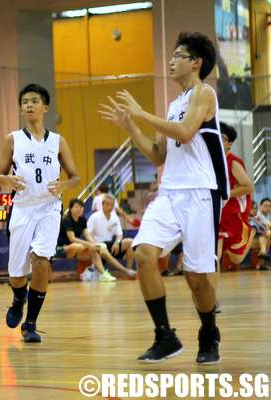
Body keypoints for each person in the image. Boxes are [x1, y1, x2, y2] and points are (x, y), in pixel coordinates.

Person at [100, 32, 228, 364]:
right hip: (170, 192)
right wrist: (131, 127)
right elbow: (158, 156)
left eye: (179, 55)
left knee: (196, 277)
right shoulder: (172, 105)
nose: (171, 60)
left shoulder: (204, 93)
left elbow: (186, 133)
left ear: (196, 62)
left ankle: (208, 332)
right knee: (143, 255)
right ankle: (165, 336)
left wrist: (141, 114)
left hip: (200, 193)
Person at [0, 83, 80, 343]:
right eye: (25, 102)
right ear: (21, 108)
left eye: (34, 101)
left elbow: (75, 177)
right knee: (16, 274)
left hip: (49, 207)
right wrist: (7, 181)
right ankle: (18, 298)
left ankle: (30, 323)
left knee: (42, 261)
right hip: (22, 208)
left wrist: (64, 185)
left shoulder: (58, 141)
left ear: (45, 107)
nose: (29, 105)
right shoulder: (13, 139)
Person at [217, 122, 254, 268]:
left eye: (223, 138)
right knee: (215, 253)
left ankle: (251, 231)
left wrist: (225, 194)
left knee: (236, 258)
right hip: (214, 212)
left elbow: (248, 187)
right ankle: (208, 289)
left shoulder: (232, 162)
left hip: (231, 212)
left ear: (229, 144)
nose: (219, 139)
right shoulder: (209, 160)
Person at [56, 198, 116, 282]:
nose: (79, 209)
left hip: (75, 250)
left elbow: (87, 235)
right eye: (76, 207)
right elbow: (72, 239)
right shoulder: (67, 221)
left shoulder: (82, 220)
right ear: (70, 209)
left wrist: (95, 245)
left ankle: (103, 274)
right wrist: (89, 244)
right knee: (77, 246)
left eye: (81, 207)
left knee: (93, 251)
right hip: (62, 249)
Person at [86, 194, 137, 278]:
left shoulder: (115, 218)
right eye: (107, 204)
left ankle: (128, 271)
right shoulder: (94, 217)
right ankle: (126, 271)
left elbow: (120, 235)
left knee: (130, 242)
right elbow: (89, 234)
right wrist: (95, 244)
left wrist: (117, 242)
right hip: (99, 246)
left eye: (112, 205)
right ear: (102, 205)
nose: (109, 207)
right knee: (101, 248)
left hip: (111, 246)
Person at [249, 201, 271, 269]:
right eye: (252, 208)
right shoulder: (249, 218)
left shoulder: (255, 218)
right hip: (248, 240)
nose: (255, 210)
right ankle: (261, 264)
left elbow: (263, 227)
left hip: (257, 238)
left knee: (267, 236)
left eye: (256, 208)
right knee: (267, 234)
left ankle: (262, 255)